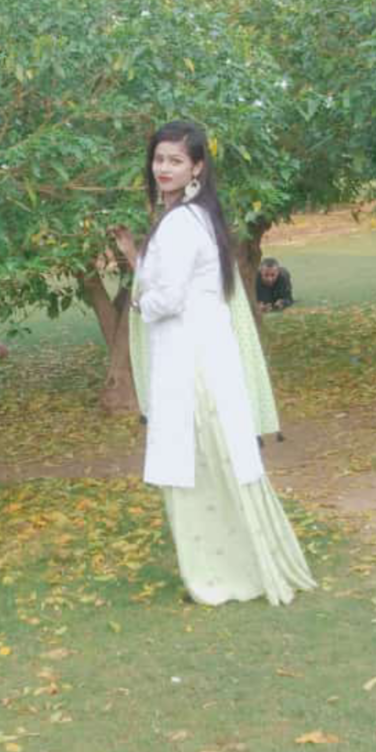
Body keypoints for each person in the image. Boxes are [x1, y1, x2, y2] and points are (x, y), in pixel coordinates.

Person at [110, 121, 315, 606]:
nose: (163, 168)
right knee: (214, 466)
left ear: (197, 167)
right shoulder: (196, 217)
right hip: (202, 359)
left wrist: (138, 301)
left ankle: (219, 575)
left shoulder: (183, 222)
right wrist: (135, 257)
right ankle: (233, 567)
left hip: (191, 366)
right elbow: (172, 281)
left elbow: (167, 298)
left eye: (175, 160)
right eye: (159, 159)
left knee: (199, 468)